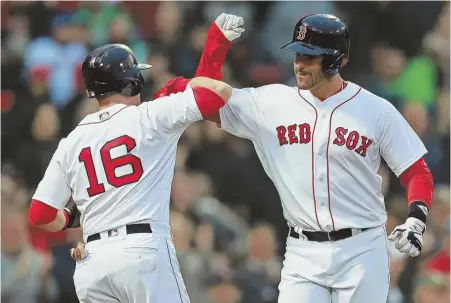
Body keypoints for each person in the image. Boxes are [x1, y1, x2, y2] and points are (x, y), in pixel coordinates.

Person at [156, 13, 434, 303]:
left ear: (335, 60)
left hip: (362, 250)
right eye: (298, 53)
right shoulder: (270, 103)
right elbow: (203, 101)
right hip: (303, 252)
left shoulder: (376, 110)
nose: (299, 63)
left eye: (310, 56)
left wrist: (416, 218)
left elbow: (416, 170)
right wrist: (215, 45)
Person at [27, 41, 234, 303]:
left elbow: (40, 213)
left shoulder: (72, 140)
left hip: (93, 260)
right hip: (143, 251)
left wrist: (69, 219)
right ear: (132, 82)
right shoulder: (149, 116)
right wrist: (179, 84)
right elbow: (215, 95)